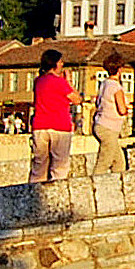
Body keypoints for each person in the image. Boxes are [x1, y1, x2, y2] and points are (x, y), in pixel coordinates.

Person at [28, 48, 79, 184]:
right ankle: (57, 193)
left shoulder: (38, 81)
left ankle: (34, 192)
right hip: (59, 126)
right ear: (55, 63)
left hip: (40, 126)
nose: (62, 65)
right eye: (61, 62)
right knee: (59, 165)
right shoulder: (60, 82)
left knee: (39, 165)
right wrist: (69, 81)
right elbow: (76, 99)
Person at [90, 55, 133, 175]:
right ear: (119, 69)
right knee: (104, 161)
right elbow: (121, 109)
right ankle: (94, 185)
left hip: (100, 124)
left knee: (119, 162)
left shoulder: (104, 84)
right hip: (109, 127)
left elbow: (98, 102)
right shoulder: (116, 87)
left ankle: (116, 184)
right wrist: (127, 108)